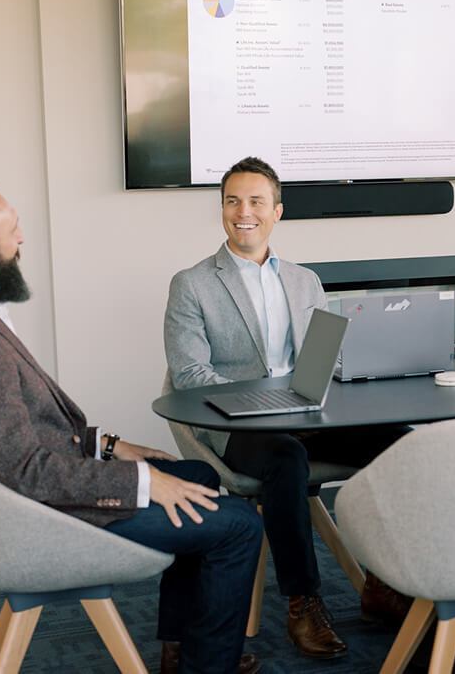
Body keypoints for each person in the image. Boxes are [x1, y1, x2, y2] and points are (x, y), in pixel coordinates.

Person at [0, 183, 264, 674]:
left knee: (199, 478)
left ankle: (182, 648)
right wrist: (145, 482)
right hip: (39, 520)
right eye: (13, 229)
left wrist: (110, 446)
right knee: (240, 525)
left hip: (29, 498)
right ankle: (207, 665)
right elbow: (25, 469)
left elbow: (14, 431)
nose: (22, 239)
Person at [164, 156, 409, 659]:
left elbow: (327, 361)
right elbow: (189, 377)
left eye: (256, 201)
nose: (243, 212)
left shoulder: (304, 280)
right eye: (232, 201)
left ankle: (384, 583)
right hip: (236, 428)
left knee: (401, 441)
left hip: (307, 417)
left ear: (277, 211)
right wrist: (263, 402)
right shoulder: (192, 284)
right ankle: (304, 601)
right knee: (284, 458)